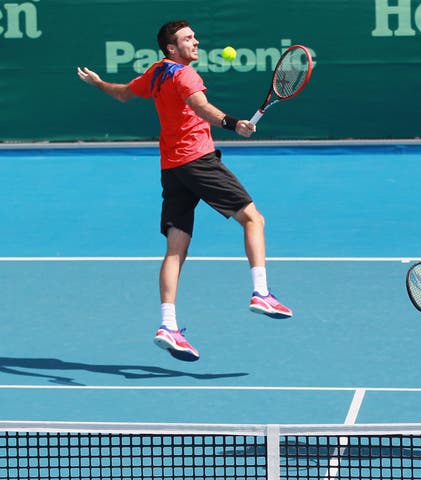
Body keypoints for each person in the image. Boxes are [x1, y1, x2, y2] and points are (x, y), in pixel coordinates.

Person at [77, 20, 292, 363]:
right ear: (171, 49)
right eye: (187, 39)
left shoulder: (157, 73)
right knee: (253, 219)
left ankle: (168, 326)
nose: (196, 42)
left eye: (194, 36)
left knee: (176, 249)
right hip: (197, 161)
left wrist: (98, 82)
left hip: (172, 168)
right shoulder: (184, 75)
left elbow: (121, 93)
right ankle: (262, 293)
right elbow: (201, 107)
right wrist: (233, 122)